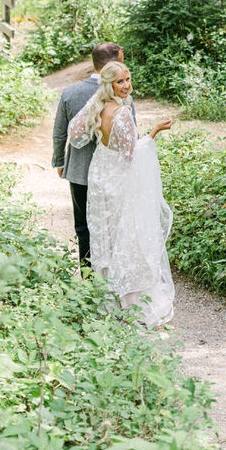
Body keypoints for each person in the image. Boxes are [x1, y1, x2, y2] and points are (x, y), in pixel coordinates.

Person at [66, 60, 174, 328]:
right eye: (120, 82)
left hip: (100, 175)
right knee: (127, 236)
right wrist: (154, 132)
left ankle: (107, 299)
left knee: (106, 236)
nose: (126, 86)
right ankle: (131, 302)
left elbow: (75, 133)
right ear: (110, 84)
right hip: (119, 180)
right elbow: (132, 154)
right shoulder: (122, 113)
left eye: (127, 79)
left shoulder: (97, 105)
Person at [51, 43, 129, 267]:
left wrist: (59, 161)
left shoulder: (70, 93)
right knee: (113, 225)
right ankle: (113, 276)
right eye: (121, 61)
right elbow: (128, 135)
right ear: (114, 63)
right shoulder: (121, 93)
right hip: (114, 174)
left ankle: (88, 279)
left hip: (79, 171)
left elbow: (59, 133)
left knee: (84, 228)